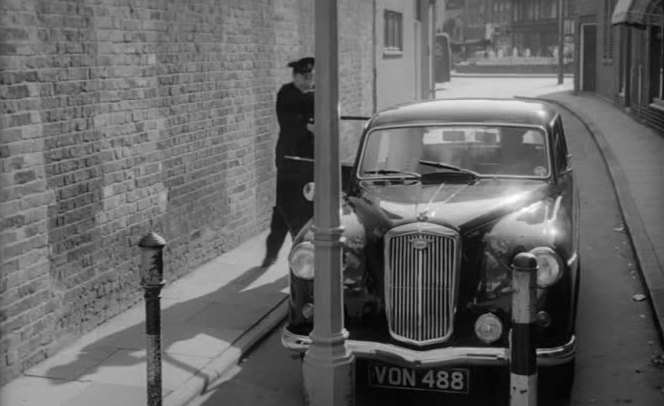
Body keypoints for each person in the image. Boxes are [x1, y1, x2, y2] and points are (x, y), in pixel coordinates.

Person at [261, 57, 315, 268]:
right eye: (303, 76)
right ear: (294, 76)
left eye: (310, 76)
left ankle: (302, 251)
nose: (307, 80)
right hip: (290, 158)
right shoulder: (287, 94)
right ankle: (272, 251)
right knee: (284, 205)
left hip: (311, 157)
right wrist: (308, 126)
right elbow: (289, 123)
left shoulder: (316, 94)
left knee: (309, 206)